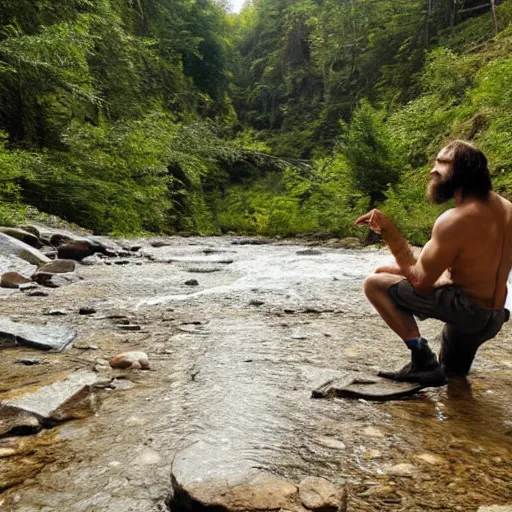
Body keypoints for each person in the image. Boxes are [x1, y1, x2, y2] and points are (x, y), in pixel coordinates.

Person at [355, 140, 512, 387]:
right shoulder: (506, 208)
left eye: (442, 162)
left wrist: (389, 232)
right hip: (493, 316)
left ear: (463, 171)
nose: (433, 170)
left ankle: (422, 359)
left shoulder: (455, 219)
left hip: (467, 312)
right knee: (453, 378)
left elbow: (421, 282)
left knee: (375, 283)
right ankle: (460, 415)